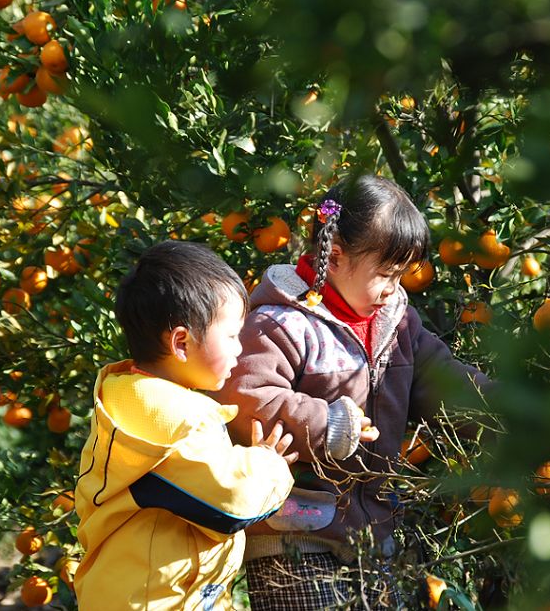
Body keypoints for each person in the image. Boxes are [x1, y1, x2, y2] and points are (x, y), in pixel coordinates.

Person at [212, 174, 490, 609]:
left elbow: (443, 378)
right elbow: (247, 402)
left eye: (401, 276)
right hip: (296, 537)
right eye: (386, 274)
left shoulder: (397, 325)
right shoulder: (280, 324)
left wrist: (504, 410)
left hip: (372, 535)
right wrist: (327, 425)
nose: (393, 289)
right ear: (336, 257)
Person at [73, 240, 297, 611]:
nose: (239, 349)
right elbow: (234, 503)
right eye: (230, 336)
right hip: (156, 600)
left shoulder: (129, 396)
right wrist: (269, 463)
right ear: (181, 342)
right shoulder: (180, 421)